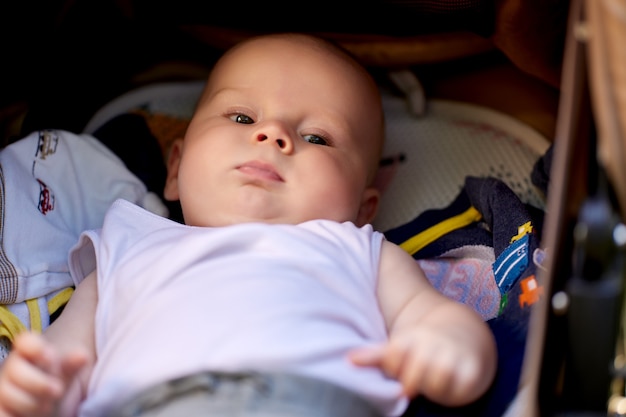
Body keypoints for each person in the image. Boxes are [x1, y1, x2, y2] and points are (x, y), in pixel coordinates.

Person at [0, 33, 497, 417]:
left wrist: (449, 351)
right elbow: (66, 351)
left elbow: (437, 318)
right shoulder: (125, 240)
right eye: (240, 118)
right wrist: (40, 388)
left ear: (364, 208)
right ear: (175, 170)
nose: (273, 134)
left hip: (311, 400)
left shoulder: (358, 248)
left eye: (318, 137)